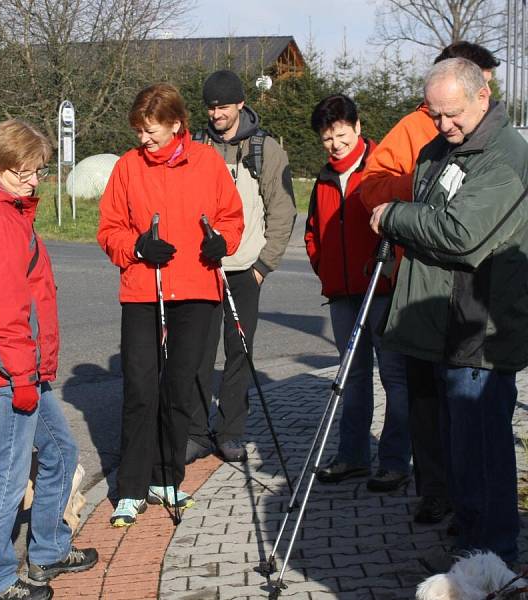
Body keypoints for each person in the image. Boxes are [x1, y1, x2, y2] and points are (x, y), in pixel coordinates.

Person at [370, 57, 527, 570]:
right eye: (434, 115)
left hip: (480, 324)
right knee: (461, 449)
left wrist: (394, 216)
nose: (442, 126)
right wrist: (416, 219)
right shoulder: (446, 147)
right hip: (446, 320)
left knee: (484, 450)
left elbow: (460, 233)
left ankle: (496, 559)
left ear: (483, 97)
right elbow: (434, 212)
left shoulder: (503, 157)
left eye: (451, 114)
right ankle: (470, 543)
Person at [0, 119, 98, 600]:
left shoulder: (7, 211)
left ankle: (49, 550)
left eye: (39, 171)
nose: (35, 180)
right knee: (7, 481)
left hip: (24, 368)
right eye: (25, 173)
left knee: (60, 453)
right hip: (11, 372)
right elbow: (5, 310)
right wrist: (20, 376)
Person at [359, 41, 500, 525]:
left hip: (464, 300)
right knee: (421, 399)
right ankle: (434, 490)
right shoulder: (414, 130)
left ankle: (470, 506)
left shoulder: (491, 139)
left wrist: (420, 211)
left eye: (487, 80)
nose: (489, 87)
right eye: (481, 75)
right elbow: (370, 186)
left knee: (461, 406)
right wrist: (416, 198)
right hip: (418, 286)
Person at [98, 82, 244, 527]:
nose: (144, 139)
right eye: (139, 131)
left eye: (151, 131)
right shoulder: (127, 167)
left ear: (177, 125)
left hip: (196, 289)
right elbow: (108, 230)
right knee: (141, 388)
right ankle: (131, 487)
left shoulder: (207, 162)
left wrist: (222, 242)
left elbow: (230, 219)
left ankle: (167, 477)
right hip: (144, 290)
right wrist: (138, 247)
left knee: (180, 387)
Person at [187, 69, 296, 464]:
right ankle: (196, 433)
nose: (216, 113)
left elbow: (282, 212)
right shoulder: (195, 145)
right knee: (197, 354)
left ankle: (230, 432)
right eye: (211, 107)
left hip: (244, 268)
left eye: (223, 106)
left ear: (240, 105)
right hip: (201, 269)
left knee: (239, 353)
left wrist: (264, 265)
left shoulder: (265, 149)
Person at [305, 94, 411, 492]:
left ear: (358, 128)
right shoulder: (323, 179)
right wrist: (324, 267)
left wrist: (392, 272)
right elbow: (313, 231)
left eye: (341, 134)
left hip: (383, 290)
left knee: (396, 378)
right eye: (327, 137)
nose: (335, 143)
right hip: (342, 294)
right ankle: (352, 457)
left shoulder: (382, 169)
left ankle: (396, 461)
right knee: (352, 377)